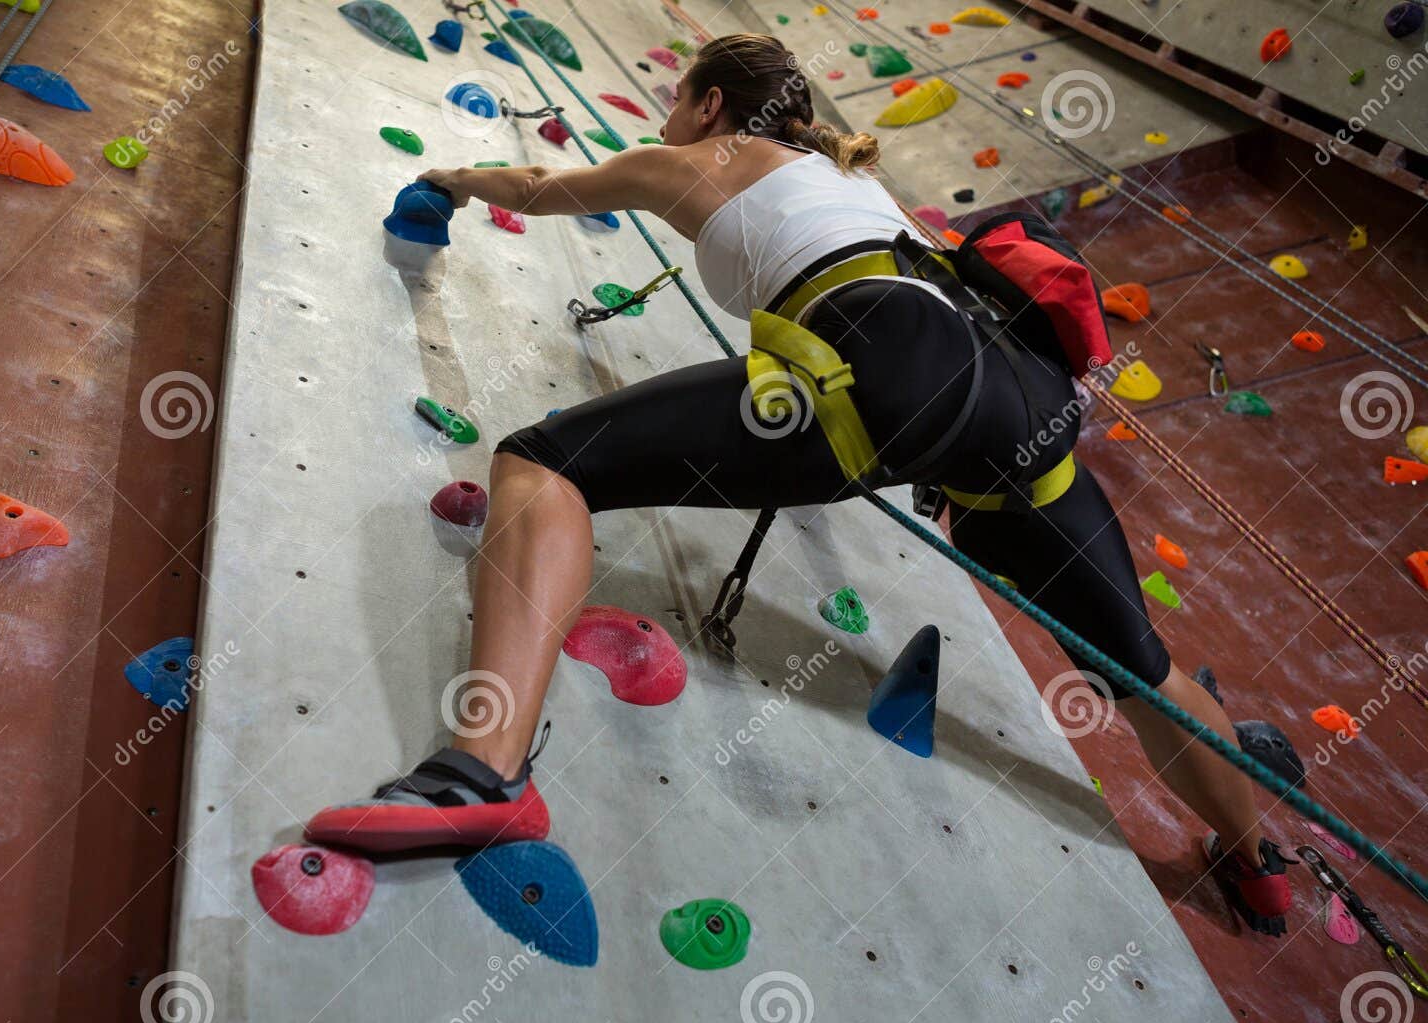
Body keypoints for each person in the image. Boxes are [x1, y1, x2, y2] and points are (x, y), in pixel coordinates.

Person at [307, 34, 1293, 934]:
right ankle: (1255, 863)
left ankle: (484, 769)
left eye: (674, 93)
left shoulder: (686, 160)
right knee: (1137, 664)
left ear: (708, 106)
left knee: (542, 459)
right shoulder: (844, 171)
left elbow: (537, 181)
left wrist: (449, 178)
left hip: (885, 378)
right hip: (1012, 395)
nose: (665, 111)